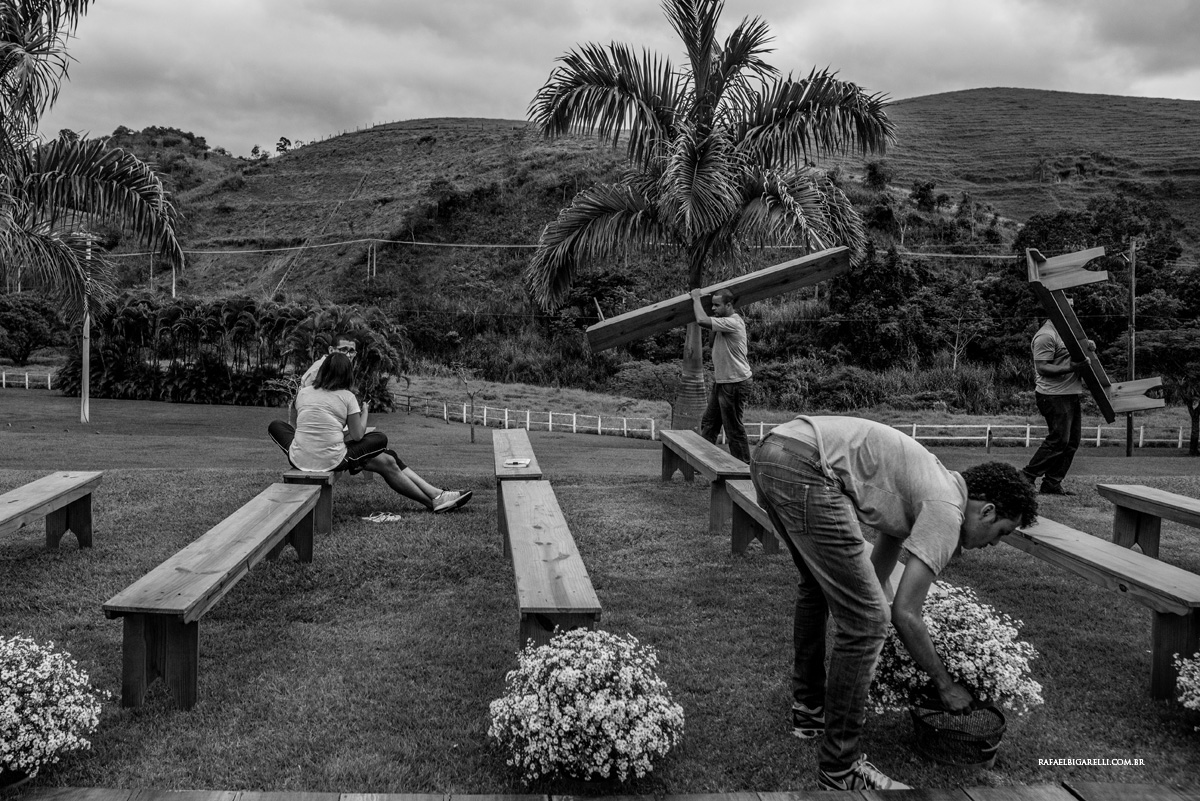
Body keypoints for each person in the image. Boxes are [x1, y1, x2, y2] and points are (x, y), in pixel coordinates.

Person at [750, 415, 1038, 791]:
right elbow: (904, 614)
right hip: (806, 465)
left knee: (818, 589)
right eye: (1001, 532)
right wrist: (945, 684)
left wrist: (871, 608)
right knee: (868, 622)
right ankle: (841, 769)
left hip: (774, 450)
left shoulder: (929, 482)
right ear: (987, 511)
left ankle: (810, 711)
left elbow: (874, 573)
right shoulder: (947, 510)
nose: (995, 543)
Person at [269, 352, 471, 513]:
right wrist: (364, 412)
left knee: (276, 425)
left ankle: (436, 497)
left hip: (299, 457)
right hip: (332, 460)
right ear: (347, 374)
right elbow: (357, 436)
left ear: (322, 371)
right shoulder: (347, 397)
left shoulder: (303, 393)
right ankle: (437, 497)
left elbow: (312, 425)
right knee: (379, 439)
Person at [1022, 316, 1093, 495]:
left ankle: (1052, 483)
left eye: (1072, 306)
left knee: (1071, 442)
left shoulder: (1069, 334)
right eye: (1067, 305)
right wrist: (1071, 368)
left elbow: (1077, 355)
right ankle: (1026, 477)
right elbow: (1042, 367)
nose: (1071, 310)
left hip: (1070, 394)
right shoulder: (1046, 335)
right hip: (1052, 395)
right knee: (1059, 439)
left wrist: (1088, 347)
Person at [690, 287, 752, 462]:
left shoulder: (734, 322)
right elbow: (711, 343)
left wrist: (696, 298)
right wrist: (715, 320)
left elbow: (701, 320)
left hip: (735, 382)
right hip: (723, 381)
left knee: (733, 429)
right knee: (709, 423)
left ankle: (744, 468)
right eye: (712, 305)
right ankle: (703, 463)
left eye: (717, 305)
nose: (713, 308)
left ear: (729, 305)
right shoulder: (722, 323)